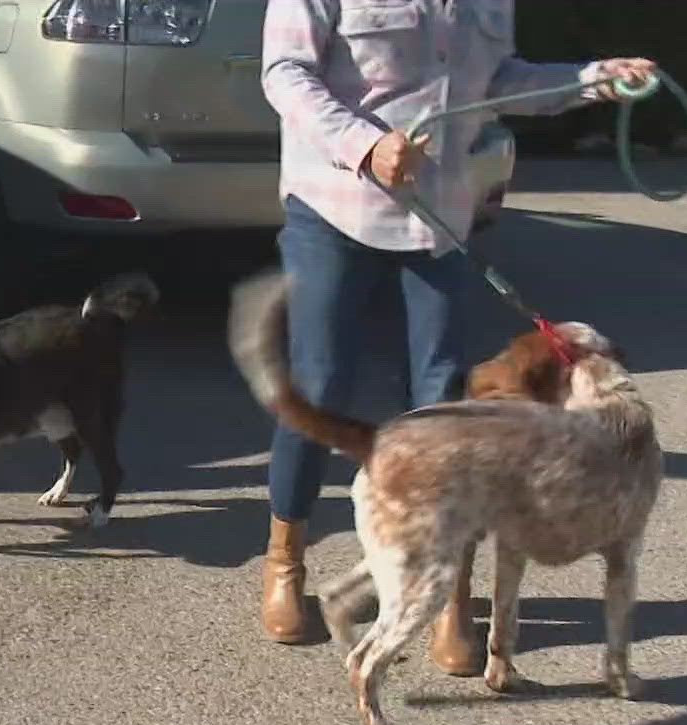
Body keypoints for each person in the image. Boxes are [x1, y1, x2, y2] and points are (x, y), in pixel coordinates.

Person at [256, 0, 655, 658]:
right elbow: (285, 72)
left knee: (445, 399)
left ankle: (450, 592)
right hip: (335, 202)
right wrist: (366, 146)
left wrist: (590, 79)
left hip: (435, 217)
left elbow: (496, 80)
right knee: (321, 385)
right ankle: (285, 561)